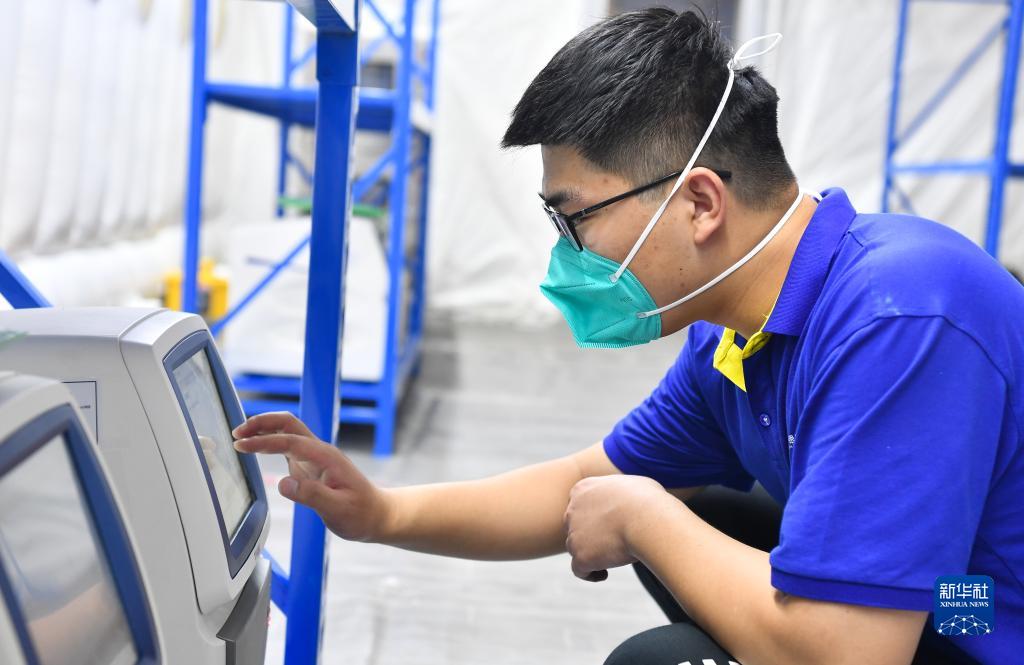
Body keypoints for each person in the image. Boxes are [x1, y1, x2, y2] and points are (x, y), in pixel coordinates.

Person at [233, 8, 1023, 664]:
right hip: (942, 591)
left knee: (660, 646)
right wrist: (382, 512)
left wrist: (650, 520)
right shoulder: (732, 337)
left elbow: (850, 655)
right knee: (702, 517)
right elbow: (587, 481)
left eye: (576, 218)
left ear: (701, 204)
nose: (567, 256)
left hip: (979, 615)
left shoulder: (901, 316)